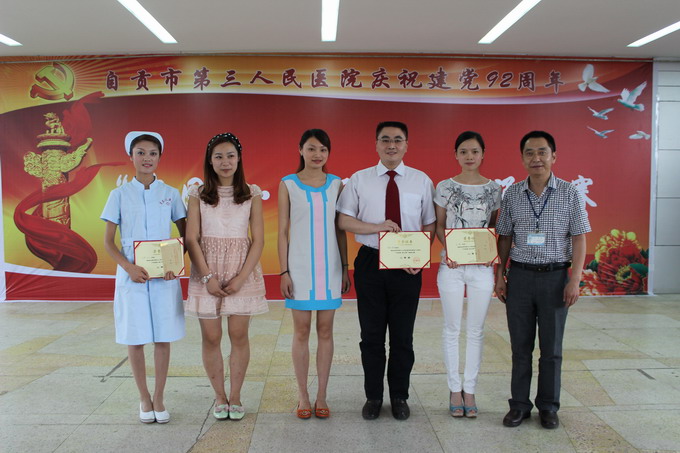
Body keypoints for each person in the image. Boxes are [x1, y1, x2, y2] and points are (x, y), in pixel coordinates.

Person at [337, 121, 435, 421]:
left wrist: (420, 255)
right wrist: (376, 227)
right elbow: (343, 220)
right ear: (376, 144)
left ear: (406, 145)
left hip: (408, 266)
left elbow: (430, 222)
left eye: (397, 140)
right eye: (385, 139)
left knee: (403, 337)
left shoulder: (421, 180)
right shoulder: (359, 179)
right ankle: (374, 397)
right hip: (371, 261)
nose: (391, 145)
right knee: (371, 335)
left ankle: (399, 396)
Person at [495, 131, 590, 429]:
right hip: (520, 277)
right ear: (522, 158)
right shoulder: (512, 194)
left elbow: (579, 237)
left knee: (551, 349)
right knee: (520, 348)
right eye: (529, 153)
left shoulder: (569, 193)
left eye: (542, 152)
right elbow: (504, 237)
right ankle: (519, 405)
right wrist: (500, 275)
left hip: (555, 278)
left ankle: (548, 406)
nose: (536, 158)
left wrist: (575, 279)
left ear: (553, 156)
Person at [101, 131, 186, 424]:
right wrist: (128, 267)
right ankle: (143, 398)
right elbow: (108, 242)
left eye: (152, 153)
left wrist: (176, 263)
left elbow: (186, 235)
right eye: (140, 152)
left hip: (164, 277)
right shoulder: (119, 195)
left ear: (159, 157)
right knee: (135, 338)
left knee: (163, 337)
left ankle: (159, 397)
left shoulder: (170, 194)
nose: (147, 158)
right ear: (131, 157)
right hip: (132, 276)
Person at [185, 132, 268, 421]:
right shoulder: (197, 194)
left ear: (239, 158)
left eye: (230, 155)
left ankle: (235, 396)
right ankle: (219, 396)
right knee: (211, 337)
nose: (225, 161)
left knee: (238, 335)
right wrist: (207, 277)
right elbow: (192, 238)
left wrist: (241, 278)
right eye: (218, 156)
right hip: (205, 271)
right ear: (210, 161)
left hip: (240, 271)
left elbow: (258, 240)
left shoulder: (252, 193)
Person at [277, 129, 351, 419]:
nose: (317, 154)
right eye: (311, 148)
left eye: (322, 149)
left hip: (330, 268)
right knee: (301, 331)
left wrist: (344, 267)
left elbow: (340, 229)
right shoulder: (288, 184)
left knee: (325, 331)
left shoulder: (336, 185)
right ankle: (302, 395)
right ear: (300, 150)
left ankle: (321, 395)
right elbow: (282, 232)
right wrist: (284, 271)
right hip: (298, 268)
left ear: (328, 153)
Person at [434, 131, 501, 418]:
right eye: (463, 151)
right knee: (452, 329)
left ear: (483, 154)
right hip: (451, 267)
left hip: (482, 269)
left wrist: (489, 252)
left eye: (474, 151)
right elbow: (439, 225)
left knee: (476, 330)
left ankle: (470, 389)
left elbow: (494, 227)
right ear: (456, 155)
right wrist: (450, 250)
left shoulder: (494, 189)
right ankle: (454, 388)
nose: (469, 156)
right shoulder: (444, 187)